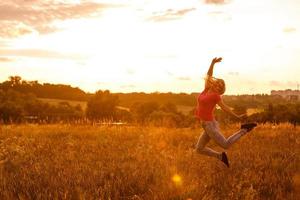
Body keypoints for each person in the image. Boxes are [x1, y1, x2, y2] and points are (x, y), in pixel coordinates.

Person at [195, 57, 257, 167]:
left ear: (219, 90)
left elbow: (225, 108)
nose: (217, 84)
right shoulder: (206, 89)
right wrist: (212, 63)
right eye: (217, 83)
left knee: (226, 144)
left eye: (220, 86)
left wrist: (236, 116)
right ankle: (221, 157)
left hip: (210, 125)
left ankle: (244, 130)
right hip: (206, 125)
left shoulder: (215, 96)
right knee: (199, 149)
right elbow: (208, 75)